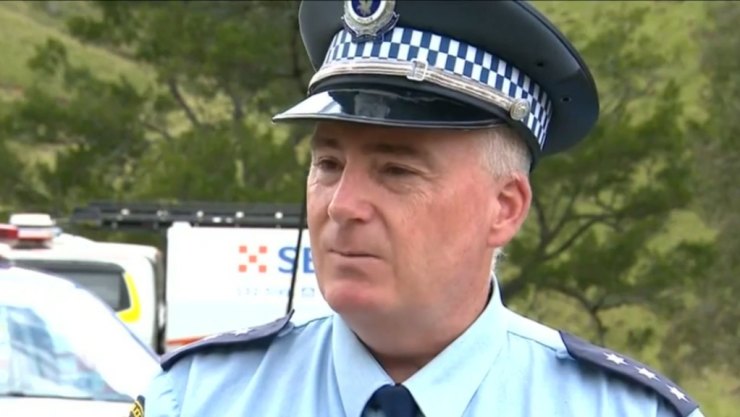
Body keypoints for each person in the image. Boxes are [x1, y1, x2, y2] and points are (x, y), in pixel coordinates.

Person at [131, 1, 705, 416]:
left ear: (504, 208)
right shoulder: (199, 398)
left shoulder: (618, 410)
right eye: (328, 163)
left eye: (397, 171)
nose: (343, 206)